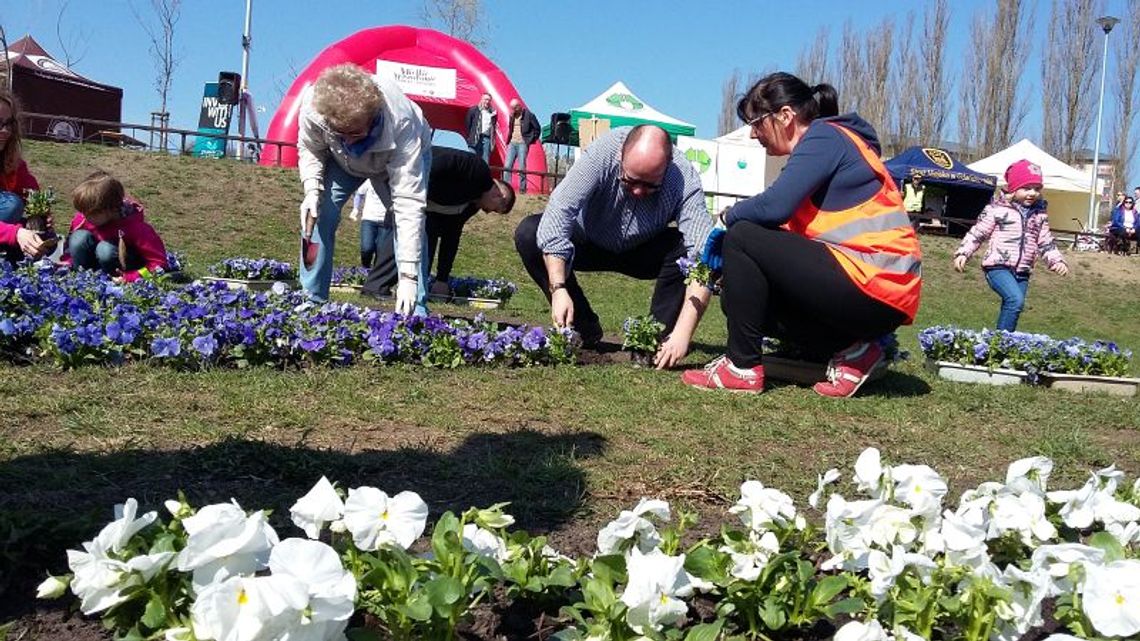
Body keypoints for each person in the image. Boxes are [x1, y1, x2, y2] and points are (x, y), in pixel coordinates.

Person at [683, 71, 922, 398]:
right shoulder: (828, 145)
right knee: (744, 299)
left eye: (756, 123)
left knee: (742, 235)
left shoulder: (825, 137)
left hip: (874, 281)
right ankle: (854, 352)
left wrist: (726, 219)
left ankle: (740, 368)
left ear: (785, 116)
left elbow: (774, 207)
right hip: (881, 293)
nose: (752, 134)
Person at [514, 124, 714, 368]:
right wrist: (558, 288)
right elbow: (559, 211)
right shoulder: (602, 153)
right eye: (630, 180)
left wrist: (683, 332)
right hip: (588, 241)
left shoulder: (683, 177)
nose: (638, 191)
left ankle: (653, 339)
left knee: (685, 248)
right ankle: (581, 324)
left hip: (642, 250)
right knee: (530, 233)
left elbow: (703, 257)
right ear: (621, 155)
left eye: (651, 185)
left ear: (668, 165)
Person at [296, 63, 431, 315]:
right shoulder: (313, 109)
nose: (349, 139)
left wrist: (408, 277)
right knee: (317, 214)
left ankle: (416, 305)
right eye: (341, 132)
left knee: (407, 223)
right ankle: (311, 297)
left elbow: (408, 203)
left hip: (391, 159)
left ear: (372, 115)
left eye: (356, 132)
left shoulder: (401, 121)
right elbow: (311, 148)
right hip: (341, 161)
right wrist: (312, 189)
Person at [361, 146, 516, 297]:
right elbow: (443, 161)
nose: (487, 212)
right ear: (498, 195)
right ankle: (375, 288)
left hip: (425, 213)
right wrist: (419, 185)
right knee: (397, 243)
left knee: (421, 253)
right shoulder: (478, 170)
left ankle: (405, 291)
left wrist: (442, 278)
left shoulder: (470, 205)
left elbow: (451, 236)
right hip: (409, 180)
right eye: (494, 210)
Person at [953, 159, 1069, 331]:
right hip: (998, 266)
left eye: (1037, 189)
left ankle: (1002, 341)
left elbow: (1045, 241)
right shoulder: (996, 209)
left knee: (1014, 306)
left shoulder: (1039, 215)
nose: (1032, 193)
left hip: (1023, 271)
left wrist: (1056, 261)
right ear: (1014, 189)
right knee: (1015, 300)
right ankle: (1001, 342)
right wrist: (963, 252)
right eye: (1026, 188)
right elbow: (978, 233)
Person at [63, 171, 169, 281]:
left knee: (105, 249)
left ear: (112, 209)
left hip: (126, 270)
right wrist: (66, 263)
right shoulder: (83, 218)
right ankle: (82, 278)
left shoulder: (136, 228)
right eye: (83, 211)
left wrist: (132, 277)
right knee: (78, 238)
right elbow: (69, 250)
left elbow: (159, 264)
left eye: (92, 213)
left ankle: (114, 280)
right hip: (95, 268)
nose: (85, 216)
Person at [0, 90, 51, 262]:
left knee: (43, 238)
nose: (5, 131)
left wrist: (41, 216)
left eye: (9, 124)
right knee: (11, 205)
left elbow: (32, 193)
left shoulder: (14, 162)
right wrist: (16, 233)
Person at [503, 99, 541, 194]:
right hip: (512, 143)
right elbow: (511, 128)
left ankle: (522, 189)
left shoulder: (529, 115)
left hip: (522, 143)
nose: (513, 110)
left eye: (514, 108)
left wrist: (530, 140)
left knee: (521, 166)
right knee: (507, 166)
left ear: (519, 106)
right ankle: (506, 187)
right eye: (512, 108)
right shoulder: (512, 116)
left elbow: (537, 128)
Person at [349, 181, 390, 269]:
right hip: (368, 219)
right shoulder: (369, 180)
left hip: (386, 221)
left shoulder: (393, 181)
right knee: (366, 248)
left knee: (381, 251)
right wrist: (355, 209)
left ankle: (376, 272)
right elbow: (359, 194)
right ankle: (365, 267)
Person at [464, 93, 496, 164]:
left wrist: (492, 142)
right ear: (481, 100)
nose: (487, 102)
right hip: (474, 138)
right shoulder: (474, 110)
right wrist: (470, 137)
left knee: (485, 161)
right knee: (472, 160)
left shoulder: (493, 113)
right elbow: (467, 124)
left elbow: (493, 127)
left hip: (486, 139)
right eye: (485, 99)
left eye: (489, 100)